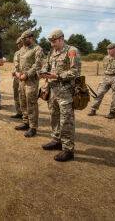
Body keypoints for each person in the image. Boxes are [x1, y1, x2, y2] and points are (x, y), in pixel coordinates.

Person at [40, 29, 81, 162]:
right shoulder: (52, 52)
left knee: (66, 120)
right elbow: (47, 66)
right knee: (54, 116)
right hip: (52, 90)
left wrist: (57, 76)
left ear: (61, 39)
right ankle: (56, 140)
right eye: (51, 42)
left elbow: (75, 71)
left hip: (66, 91)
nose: (52, 44)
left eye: (54, 41)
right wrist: (43, 72)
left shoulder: (71, 51)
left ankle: (68, 149)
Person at [14, 30, 44, 137]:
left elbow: (38, 65)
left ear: (30, 38)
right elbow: (18, 62)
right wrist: (17, 73)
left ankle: (33, 127)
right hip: (21, 80)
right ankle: (26, 122)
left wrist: (26, 75)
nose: (22, 41)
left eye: (24, 39)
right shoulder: (22, 49)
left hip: (31, 81)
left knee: (31, 103)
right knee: (23, 101)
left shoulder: (37, 49)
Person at [88, 43, 115, 119]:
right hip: (106, 77)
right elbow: (105, 68)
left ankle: (112, 112)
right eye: (108, 49)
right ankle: (93, 109)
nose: (108, 51)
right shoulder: (105, 58)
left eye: (110, 49)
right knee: (99, 93)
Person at [11, 37, 23, 119]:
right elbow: (15, 64)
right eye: (18, 44)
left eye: (20, 43)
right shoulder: (16, 53)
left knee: (23, 96)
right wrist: (13, 71)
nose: (19, 45)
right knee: (16, 94)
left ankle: (25, 114)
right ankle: (19, 112)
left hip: (23, 77)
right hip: (16, 77)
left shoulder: (28, 52)